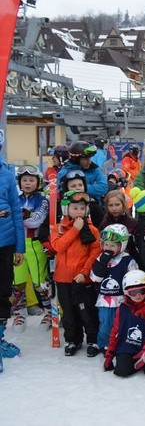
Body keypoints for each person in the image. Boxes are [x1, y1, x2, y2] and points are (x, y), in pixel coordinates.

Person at [50, 191, 102, 357]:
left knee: (87, 312)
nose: (78, 211)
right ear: (67, 209)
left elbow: (95, 254)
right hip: (63, 279)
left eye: (82, 208)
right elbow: (58, 247)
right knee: (69, 313)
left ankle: (93, 339)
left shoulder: (93, 231)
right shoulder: (59, 229)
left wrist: (84, 272)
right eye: (75, 208)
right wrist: (74, 230)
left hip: (81, 279)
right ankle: (73, 340)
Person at [103, 269, 145, 377]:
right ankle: (139, 361)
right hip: (129, 344)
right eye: (133, 292)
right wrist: (110, 355)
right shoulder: (122, 309)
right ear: (126, 292)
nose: (138, 295)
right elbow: (115, 331)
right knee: (121, 371)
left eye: (142, 291)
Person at [11, 165, 50, 332]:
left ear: (38, 182)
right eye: (24, 180)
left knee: (40, 282)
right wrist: (23, 215)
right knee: (17, 282)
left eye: (31, 180)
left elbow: (36, 221)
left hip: (34, 244)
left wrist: (18, 216)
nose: (27, 183)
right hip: (16, 245)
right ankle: (19, 315)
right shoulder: (15, 198)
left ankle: (49, 313)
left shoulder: (42, 200)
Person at [90, 224, 139, 351]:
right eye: (106, 245)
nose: (108, 248)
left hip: (122, 299)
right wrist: (102, 263)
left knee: (122, 323)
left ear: (121, 245)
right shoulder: (101, 258)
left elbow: (133, 279)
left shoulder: (128, 260)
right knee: (106, 323)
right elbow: (95, 278)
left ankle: (121, 342)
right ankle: (104, 344)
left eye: (112, 245)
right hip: (105, 299)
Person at [0, 154, 26, 362]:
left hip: (5, 243)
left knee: (2, 291)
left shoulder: (7, 174)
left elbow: (16, 212)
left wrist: (20, 247)